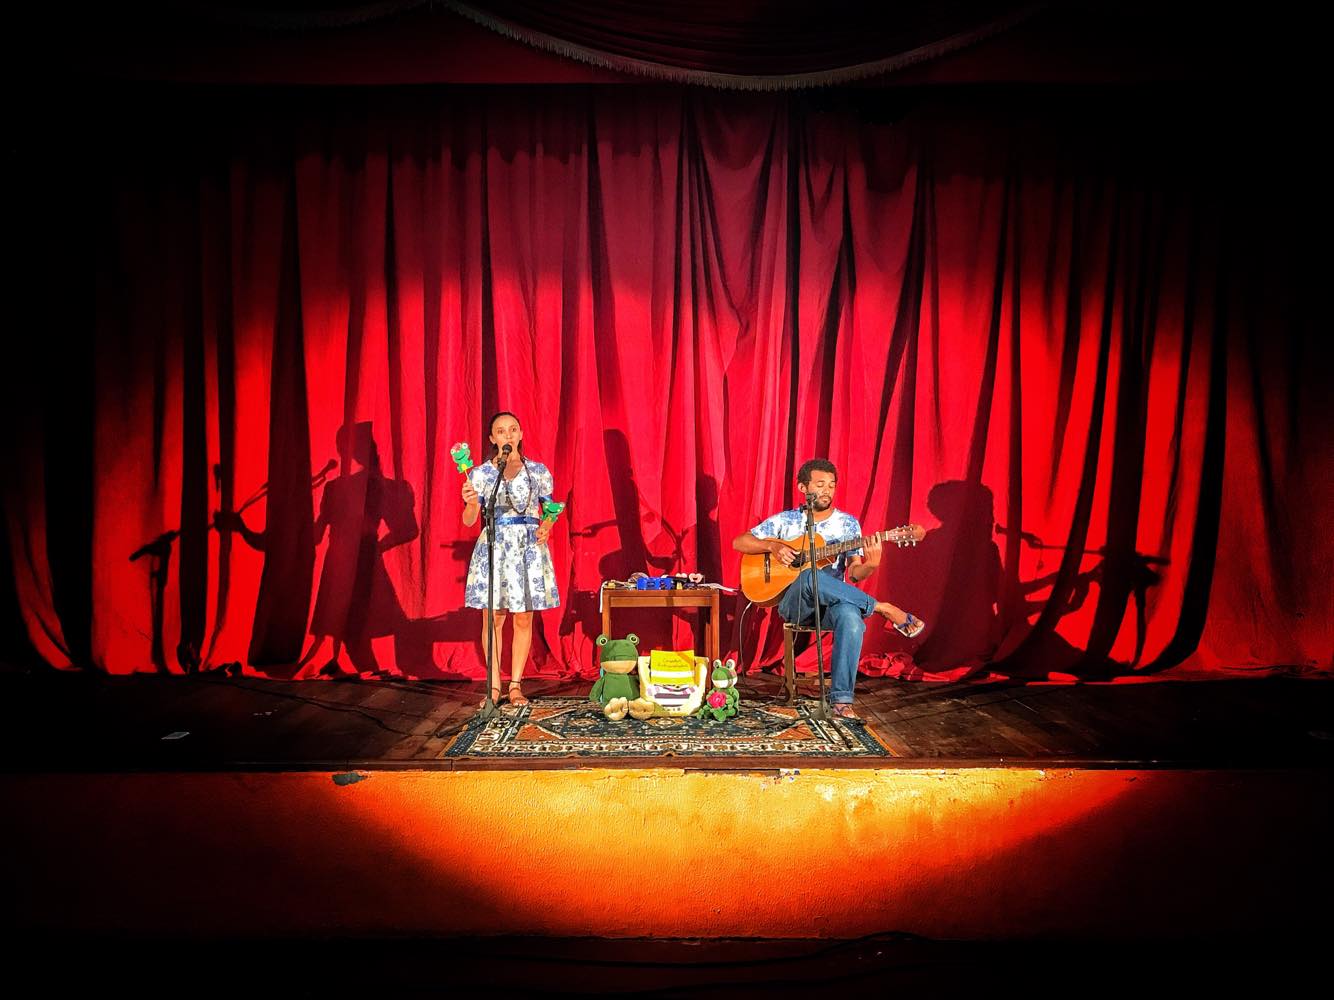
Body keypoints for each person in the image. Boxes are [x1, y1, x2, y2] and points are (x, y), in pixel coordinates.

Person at [732, 458, 923, 719]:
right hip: (796, 604)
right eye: (820, 484)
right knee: (809, 575)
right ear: (803, 487)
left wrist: (871, 564)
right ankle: (882, 608)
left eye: (832, 485)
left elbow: (854, 573)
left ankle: (841, 701)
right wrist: (773, 546)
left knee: (851, 617)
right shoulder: (785, 520)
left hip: (833, 604)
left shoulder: (847, 524)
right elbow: (739, 542)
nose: (827, 491)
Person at [461, 412, 560, 707]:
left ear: (520, 434)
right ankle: (493, 686)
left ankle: (515, 685)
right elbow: (469, 520)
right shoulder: (480, 474)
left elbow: (550, 510)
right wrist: (470, 502)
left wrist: (546, 526)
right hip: (495, 546)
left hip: (527, 547)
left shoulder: (538, 471)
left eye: (513, 429)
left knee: (523, 617)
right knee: (494, 616)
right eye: (501, 431)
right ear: (492, 438)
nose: (508, 435)